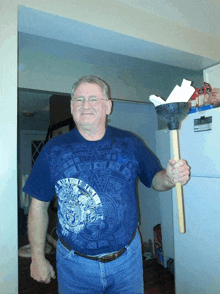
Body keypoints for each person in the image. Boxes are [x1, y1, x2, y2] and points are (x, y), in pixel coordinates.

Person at [23, 75, 190, 294]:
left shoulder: (131, 143)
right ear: (72, 107)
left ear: (108, 106)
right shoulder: (53, 150)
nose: (86, 105)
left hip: (127, 262)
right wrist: (37, 257)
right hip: (74, 265)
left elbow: (156, 180)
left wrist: (169, 177)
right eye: (79, 99)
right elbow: (38, 206)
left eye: (94, 99)